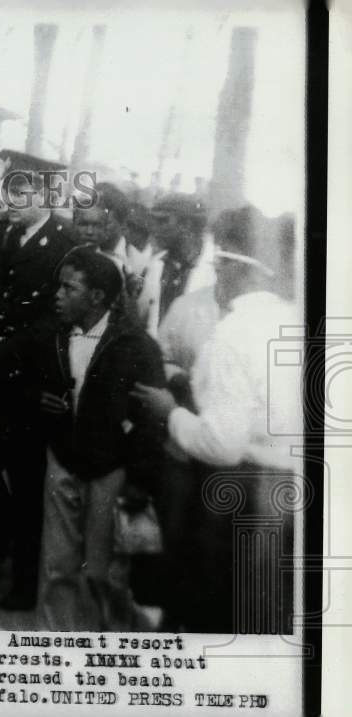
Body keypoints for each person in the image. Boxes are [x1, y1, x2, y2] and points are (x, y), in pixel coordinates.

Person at [132, 207, 301, 634]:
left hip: (238, 493)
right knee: (265, 619)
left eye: (220, 263)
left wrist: (172, 415)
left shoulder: (236, 331)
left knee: (213, 619)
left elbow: (221, 444)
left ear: (237, 267)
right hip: (294, 494)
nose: (217, 275)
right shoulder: (299, 319)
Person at [29, 248, 165, 630]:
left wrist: (138, 479)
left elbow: (150, 421)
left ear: (97, 297)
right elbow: (27, 386)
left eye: (68, 288)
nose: (57, 295)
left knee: (102, 571)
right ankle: (55, 645)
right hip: (63, 461)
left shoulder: (136, 346)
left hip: (111, 469)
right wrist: (42, 401)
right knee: (56, 566)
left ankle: (99, 652)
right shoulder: (53, 336)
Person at [0, 163, 76, 612]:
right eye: (7, 192)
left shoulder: (65, 244)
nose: (10, 201)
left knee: (29, 481)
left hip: (32, 379)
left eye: (21, 193)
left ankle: (27, 580)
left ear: (47, 195)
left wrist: (6, 352)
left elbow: (57, 319)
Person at [135, 193, 215, 338]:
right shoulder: (154, 266)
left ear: (186, 224)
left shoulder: (215, 269)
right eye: (153, 221)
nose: (154, 229)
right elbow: (140, 318)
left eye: (162, 221)